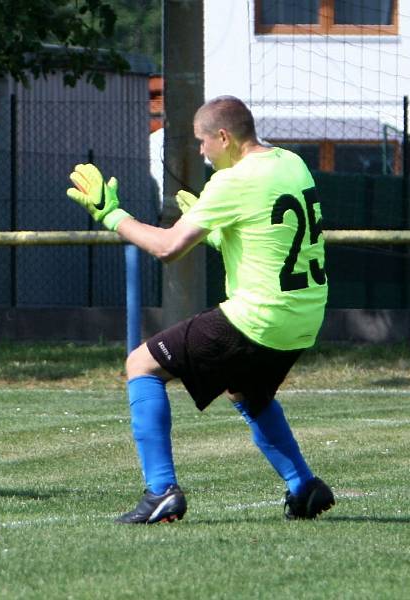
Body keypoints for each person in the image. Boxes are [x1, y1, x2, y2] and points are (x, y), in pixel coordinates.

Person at [66, 95, 335, 524]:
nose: (201, 151)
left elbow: (168, 248)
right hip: (305, 316)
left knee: (142, 365)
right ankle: (303, 486)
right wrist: (216, 235)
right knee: (247, 391)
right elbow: (270, 234)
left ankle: (160, 491)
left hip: (258, 318)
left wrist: (112, 214)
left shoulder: (232, 182)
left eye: (203, 141)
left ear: (224, 137)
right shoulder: (290, 162)